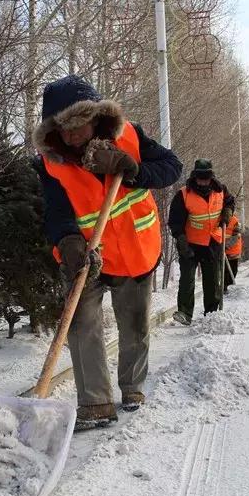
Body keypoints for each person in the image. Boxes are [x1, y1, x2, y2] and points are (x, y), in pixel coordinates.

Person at [33, 75, 182, 431]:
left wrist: (133, 170)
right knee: (81, 325)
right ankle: (96, 403)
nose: (71, 137)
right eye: (63, 131)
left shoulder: (130, 136)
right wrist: (67, 240)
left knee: (135, 325)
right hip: (88, 255)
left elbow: (172, 168)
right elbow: (56, 211)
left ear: (95, 118)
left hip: (134, 250)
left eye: (78, 127)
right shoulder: (51, 164)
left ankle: (132, 388)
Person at [168, 159, 235, 325]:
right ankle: (184, 312)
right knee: (187, 279)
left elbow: (230, 201)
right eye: (200, 178)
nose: (204, 181)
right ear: (194, 176)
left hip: (213, 242)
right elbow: (175, 220)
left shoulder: (221, 190)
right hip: (190, 243)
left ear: (211, 177)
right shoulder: (183, 194)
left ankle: (211, 313)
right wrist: (181, 239)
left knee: (212, 280)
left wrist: (227, 211)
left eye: (207, 178)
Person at [223, 213, 243, 293]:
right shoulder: (217, 218)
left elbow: (236, 236)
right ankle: (224, 287)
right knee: (224, 271)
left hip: (233, 251)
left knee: (233, 271)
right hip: (221, 251)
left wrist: (225, 246)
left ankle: (228, 286)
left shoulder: (235, 221)